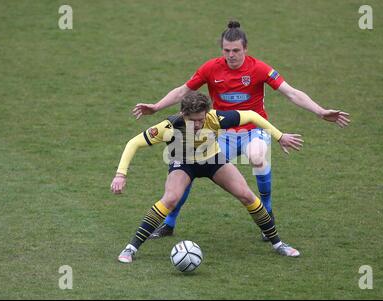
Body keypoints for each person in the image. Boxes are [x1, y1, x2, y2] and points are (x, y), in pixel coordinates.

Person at [132, 21, 350, 240]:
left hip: (253, 129)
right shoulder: (210, 68)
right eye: (226, 50)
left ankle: (267, 210)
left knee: (256, 156)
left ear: (245, 48)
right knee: (190, 165)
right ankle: (169, 223)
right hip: (221, 132)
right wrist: (156, 107)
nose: (231, 55)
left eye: (236, 50)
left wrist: (320, 112)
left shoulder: (259, 69)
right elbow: (183, 91)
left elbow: (291, 93)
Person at [111, 92, 304, 263]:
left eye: (200, 120)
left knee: (246, 195)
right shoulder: (169, 125)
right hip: (183, 162)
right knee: (170, 199)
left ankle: (278, 244)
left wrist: (279, 136)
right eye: (192, 120)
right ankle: (131, 248)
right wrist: (121, 174)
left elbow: (252, 115)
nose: (197, 125)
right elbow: (134, 142)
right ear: (183, 114)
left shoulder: (215, 118)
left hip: (213, 159)